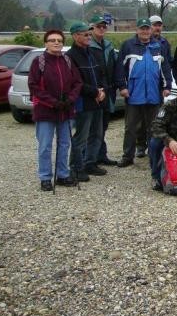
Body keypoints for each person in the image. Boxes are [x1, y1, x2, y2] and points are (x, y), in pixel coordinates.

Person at [28, 30, 82, 191]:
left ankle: (62, 175)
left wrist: (70, 99)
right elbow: (34, 85)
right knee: (45, 145)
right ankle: (45, 177)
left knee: (64, 144)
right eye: (52, 40)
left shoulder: (67, 61)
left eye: (59, 40)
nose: (56, 43)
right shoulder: (39, 62)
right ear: (46, 43)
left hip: (65, 110)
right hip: (45, 111)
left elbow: (77, 82)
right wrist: (53, 102)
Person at [115, 18, 173, 167]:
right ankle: (127, 156)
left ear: (150, 30)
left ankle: (154, 156)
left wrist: (167, 86)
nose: (145, 31)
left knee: (154, 128)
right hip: (134, 94)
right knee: (131, 128)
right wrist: (122, 87)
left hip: (154, 95)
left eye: (147, 28)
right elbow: (120, 68)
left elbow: (165, 67)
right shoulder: (128, 45)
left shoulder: (158, 46)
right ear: (137, 30)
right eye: (142, 28)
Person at [66, 21, 108, 181]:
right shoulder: (70, 56)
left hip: (98, 101)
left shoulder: (91, 53)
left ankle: (91, 162)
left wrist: (102, 90)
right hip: (83, 102)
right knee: (81, 136)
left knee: (97, 134)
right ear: (76, 36)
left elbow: (101, 73)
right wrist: (95, 92)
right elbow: (76, 82)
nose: (89, 37)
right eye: (85, 34)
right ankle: (76, 167)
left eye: (89, 34)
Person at [137, 14, 173, 157]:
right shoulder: (143, 42)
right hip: (143, 85)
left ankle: (153, 147)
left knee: (155, 119)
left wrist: (167, 84)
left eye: (159, 25)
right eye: (154, 25)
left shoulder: (165, 43)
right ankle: (140, 145)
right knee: (140, 120)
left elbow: (167, 64)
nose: (157, 27)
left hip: (158, 86)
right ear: (149, 27)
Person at [89, 15, 119, 166]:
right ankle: (90, 159)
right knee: (93, 128)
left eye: (104, 26)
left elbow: (115, 66)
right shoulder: (88, 46)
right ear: (92, 28)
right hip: (94, 93)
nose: (101, 29)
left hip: (108, 91)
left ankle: (101, 155)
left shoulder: (108, 45)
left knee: (103, 126)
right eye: (98, 26)